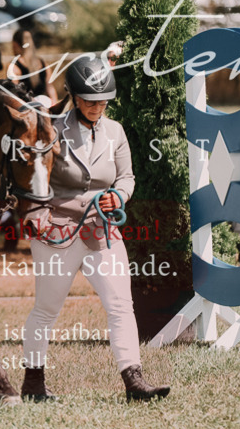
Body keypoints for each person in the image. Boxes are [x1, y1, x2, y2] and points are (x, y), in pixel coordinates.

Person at [21, 57, 169, 401]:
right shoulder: (52, 128)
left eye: (102, 101)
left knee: (120, 305)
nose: (97, 107)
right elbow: (34, 177)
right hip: (57, 231)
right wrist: (38, 212)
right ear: (73, 96)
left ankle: (134, 381)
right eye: (90, 100)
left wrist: (117, 197)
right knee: (47, 308)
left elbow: (126, 177)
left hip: (102, 230)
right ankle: (33, 383)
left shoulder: (114, 131)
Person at [8, 29, 57, 100]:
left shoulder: (14, 66)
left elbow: (14, 92)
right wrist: (54, 104)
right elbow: (50, 88)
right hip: (44, 104)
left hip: (26, 107)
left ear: (15, 44)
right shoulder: (43, 63)